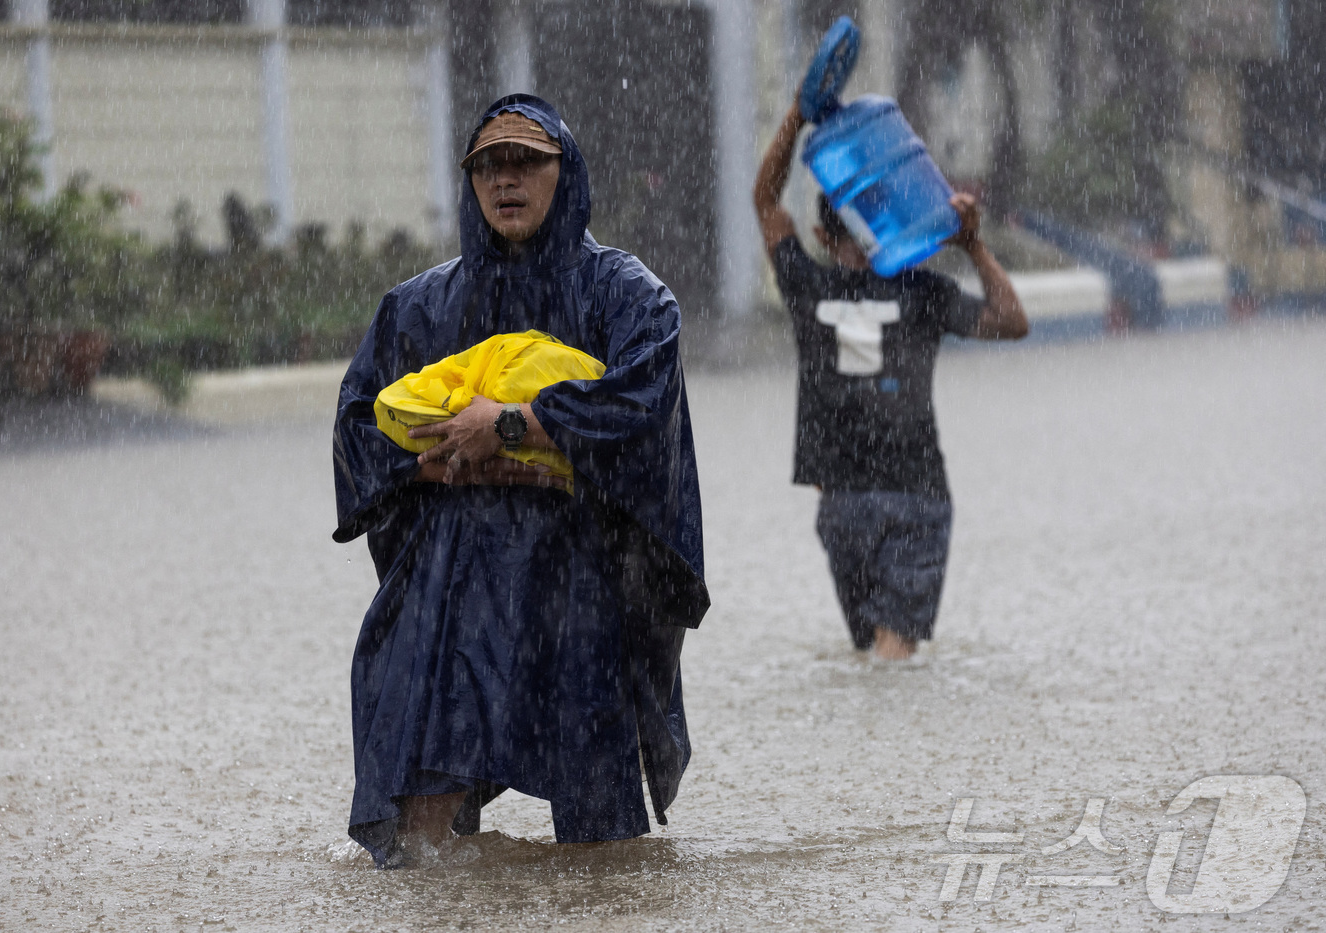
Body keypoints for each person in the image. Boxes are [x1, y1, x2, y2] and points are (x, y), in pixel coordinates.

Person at [332, 94, 709, 868]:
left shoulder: (625, 293)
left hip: (581, 579)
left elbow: (642, 400)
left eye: (526, 161)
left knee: (602, 850)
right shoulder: (419, 306)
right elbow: (358, 426)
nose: (505, 179)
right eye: (487, 166)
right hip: (450, 580)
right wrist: (435, 459)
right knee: (422, 829)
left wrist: (514, 424)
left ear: (566, 173)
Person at [753, 98, 1028, 661]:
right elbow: (1011, 322)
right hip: (915, 494)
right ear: (891, 221)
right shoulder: (923, 293)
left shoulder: (807, 287)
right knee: (893, 657)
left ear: (821, 233)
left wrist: (797, 115)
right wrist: (971, 244)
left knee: (869, 659)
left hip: (843, 506)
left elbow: (765, 201)